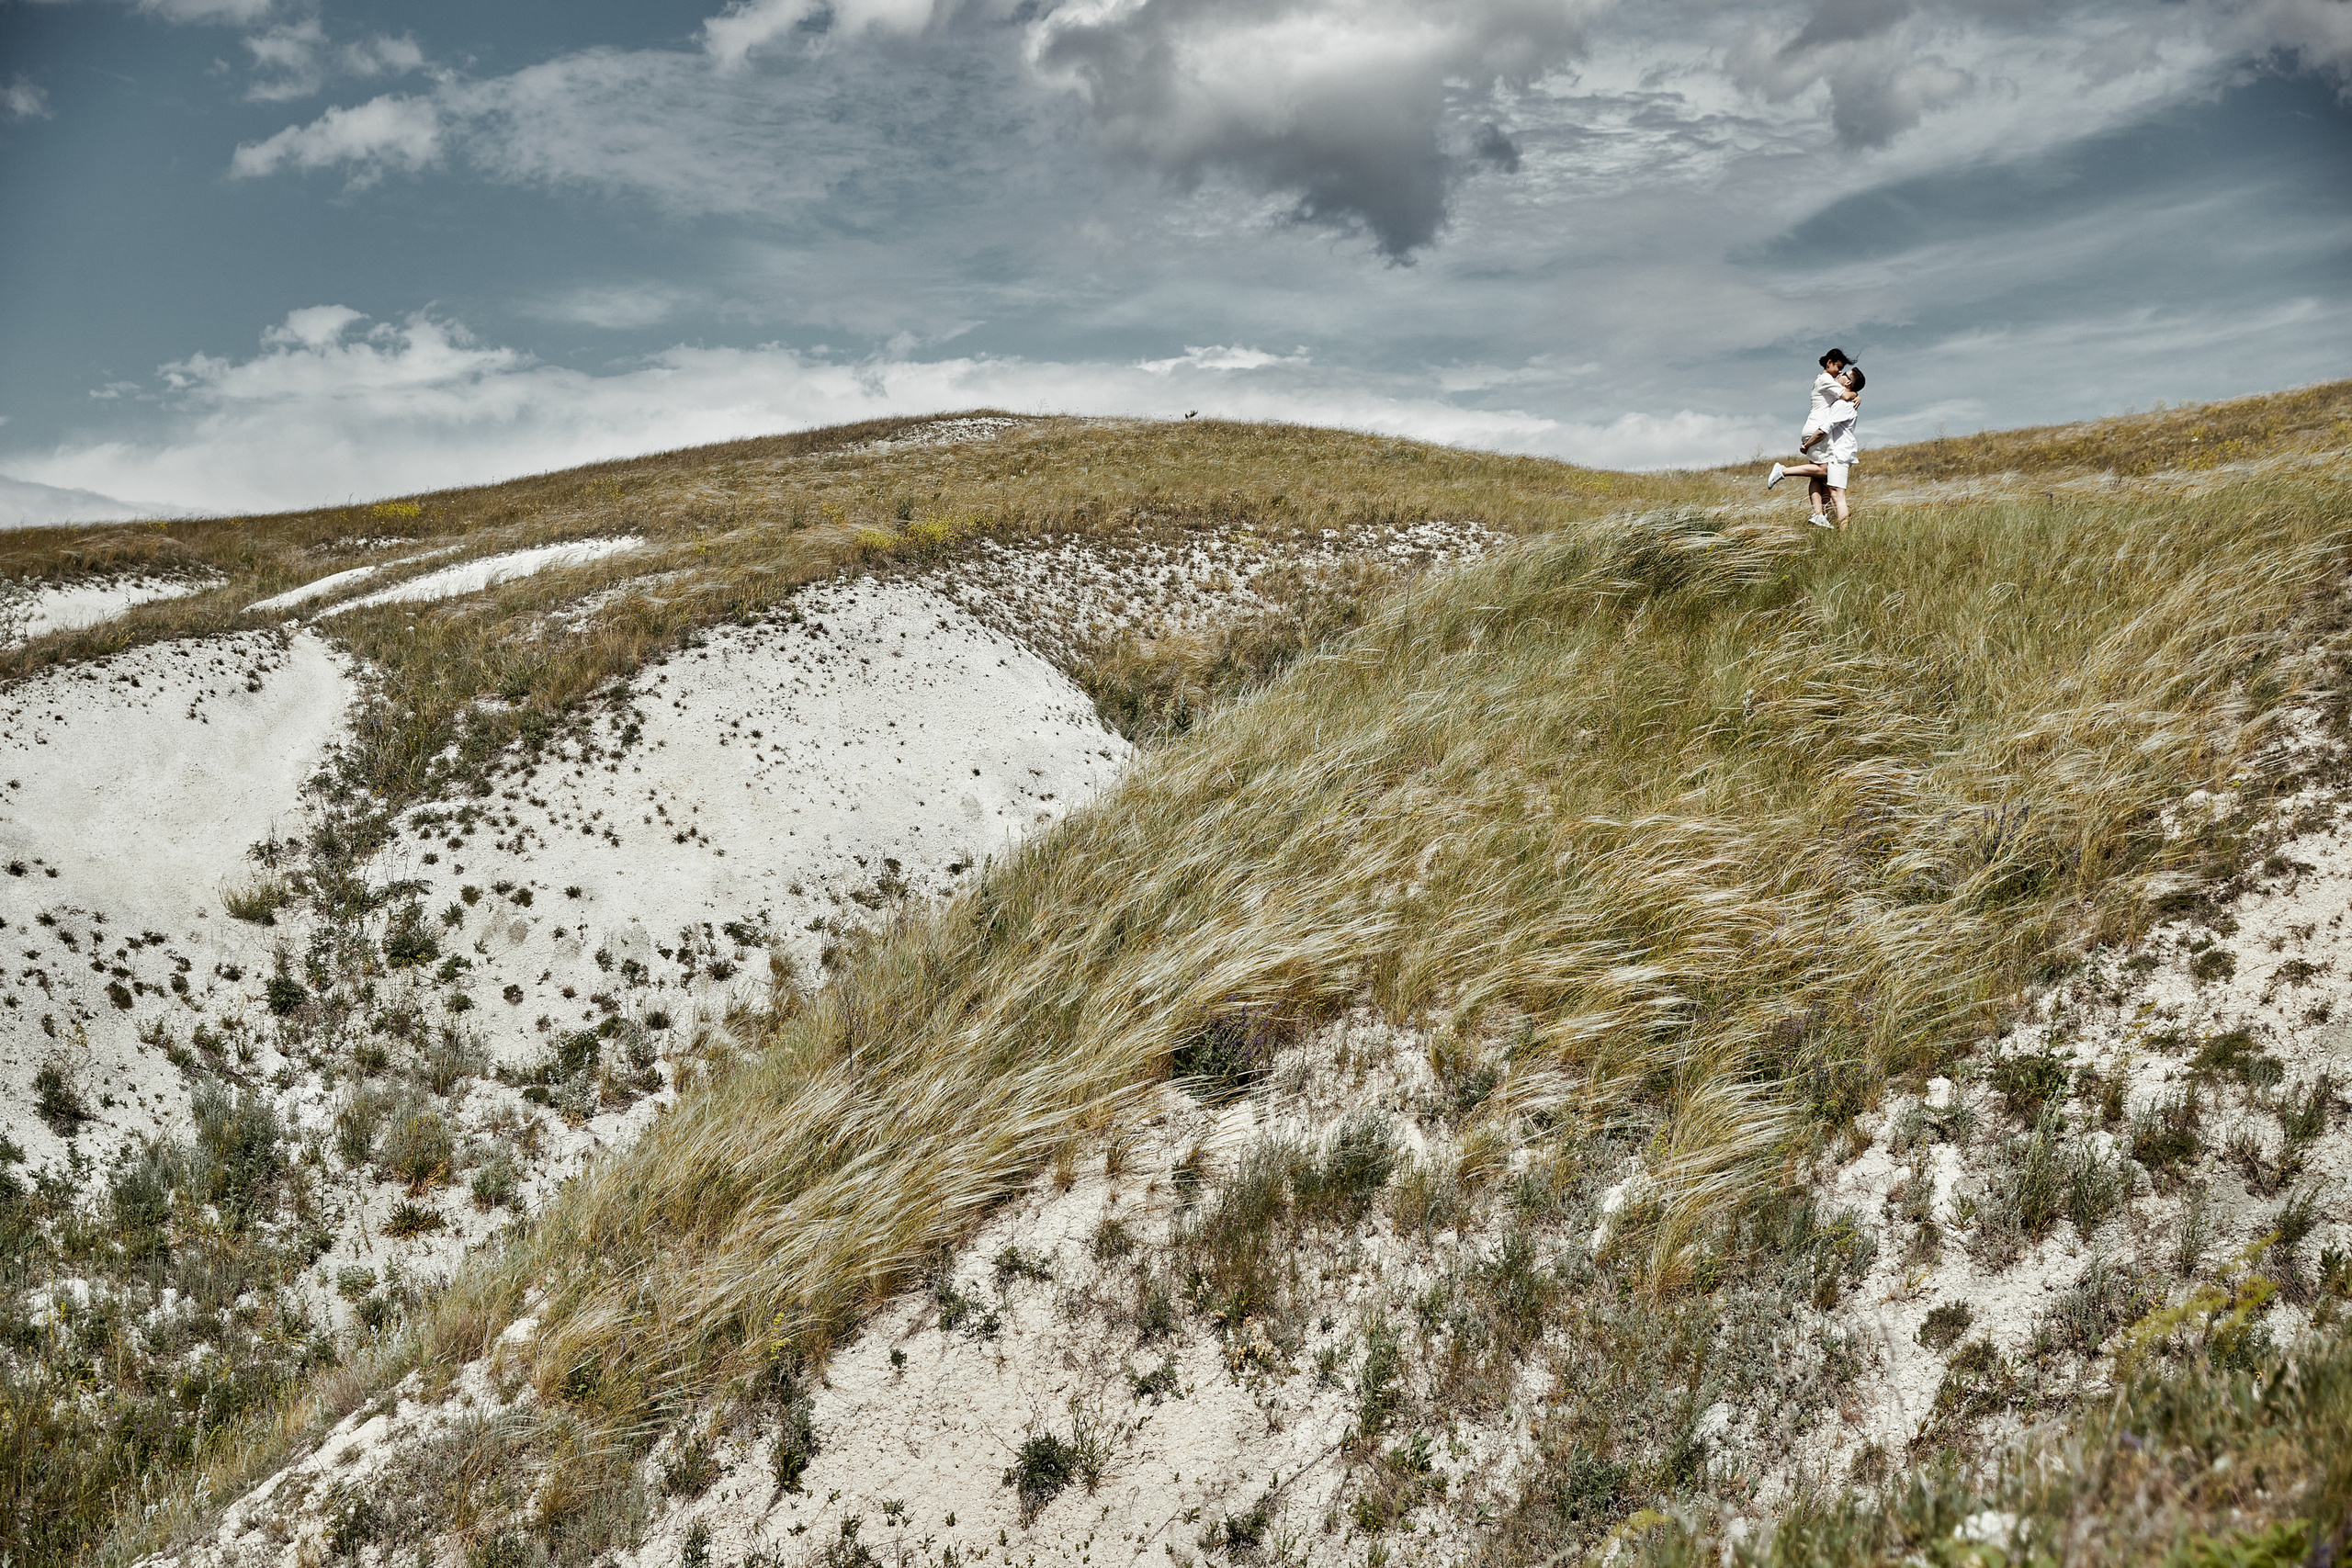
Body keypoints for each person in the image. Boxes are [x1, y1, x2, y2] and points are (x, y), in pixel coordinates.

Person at [1770, 364, 1864, 526]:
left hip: (1839, 454)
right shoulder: (1842, 400)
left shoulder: (1842, 404)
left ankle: (1844, 535)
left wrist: (1807, 445)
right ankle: (1826, 522)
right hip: (1834, 452)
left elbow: (1824, 429)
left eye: (1844, 374)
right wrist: (1856, 395)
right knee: (1825, 487)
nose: (1840, 374)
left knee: (1837, 494)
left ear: (1848, 382)